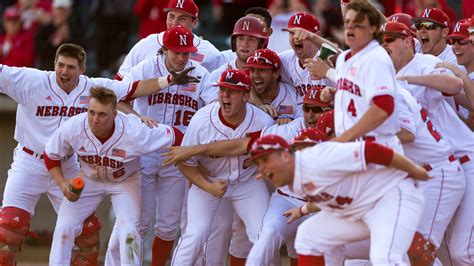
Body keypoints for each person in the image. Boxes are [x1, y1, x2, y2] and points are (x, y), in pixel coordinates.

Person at [0, 43, 198, 265]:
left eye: (71, 67)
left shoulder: (96, 92)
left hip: (72, 164)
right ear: (54, 64)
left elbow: (132, 89)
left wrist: (168, 81)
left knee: (87, 233)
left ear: (82, 69)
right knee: (9, 230)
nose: (65, 71)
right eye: (61, 65)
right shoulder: (30, 80)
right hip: (30, 161)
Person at [43, 87, 182, 265]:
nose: (94, 119)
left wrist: (190, 158)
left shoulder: (135, 130)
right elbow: (50, 155)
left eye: (102, 115)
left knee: (130, 231)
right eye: (91, 112)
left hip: (125, 182)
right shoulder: (75, 127)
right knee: (64, 226)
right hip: (89, 179)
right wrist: (62, 184)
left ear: (115, 114)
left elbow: (176, 136)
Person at [247, 134, 429, 265]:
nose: (262, 169)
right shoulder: (292, 177)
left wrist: (414, 170)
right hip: (359, 210)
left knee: (385, 258)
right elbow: (327, 195)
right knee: (308, 235)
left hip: (391, 196)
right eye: (259, 164)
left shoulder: (317, 159)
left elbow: (371, 151)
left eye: (265, 160)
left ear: (285, 156)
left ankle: (414, 245)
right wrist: (302, 210)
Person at [115, 25, 212, 266]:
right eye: (176, 52)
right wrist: (136, 117)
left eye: (186, 53)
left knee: (168, 226)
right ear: (164, 49)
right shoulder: (146, 68)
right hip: (145, 152)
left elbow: (214, 110)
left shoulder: (200, 74)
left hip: (178, 155)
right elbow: (117, 98)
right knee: (139, 221)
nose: (181, 58)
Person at [383, 20, 474, 265]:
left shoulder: (425, 63)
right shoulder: (386, 77)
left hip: (466, 160)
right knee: (441, 249)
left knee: (462, 251)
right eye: (384, 41)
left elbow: (454, 85)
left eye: (391, 39)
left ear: (408, 42)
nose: (386, 45)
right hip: (436, 168)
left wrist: (410, 79)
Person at [170, 69, 274, 265]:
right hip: (208, 181)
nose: (225, 95)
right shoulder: (201, 120)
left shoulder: (263, 121)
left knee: (263, 235)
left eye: (232, 91)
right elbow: (184, 162)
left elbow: (269, 157)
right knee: (196, 235)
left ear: (245, 96)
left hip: (247, 182)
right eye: (222, 90)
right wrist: (207, 186)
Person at [116, 0, 224, 77]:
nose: (174, 23)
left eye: (182, 18)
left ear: (195, 22)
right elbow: (121, 81)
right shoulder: (147, 44)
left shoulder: (208, 52)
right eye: (171, 17)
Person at [247, 48, 303, 124]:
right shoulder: (243, 96)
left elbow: (304, 121)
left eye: (261, 70)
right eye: (252, 70)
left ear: (276, 73)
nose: (256, 75)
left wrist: (291, 123)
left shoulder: (294, 96)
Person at [35, 0, 84, 70]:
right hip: (47, 70)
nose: (61, 13)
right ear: (53, 10)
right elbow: (40, 52)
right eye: (59, 9)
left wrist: (67, 39)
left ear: (69, 11)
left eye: (64, 10)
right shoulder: (44, 29)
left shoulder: (75, 29)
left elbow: (80, 53)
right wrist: (53, 43)